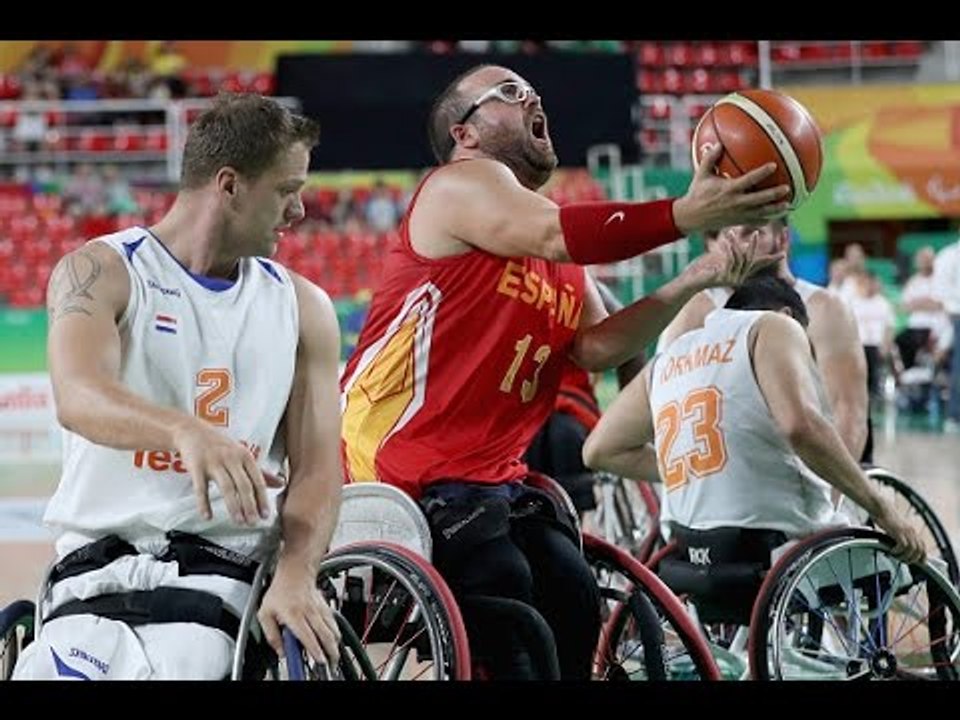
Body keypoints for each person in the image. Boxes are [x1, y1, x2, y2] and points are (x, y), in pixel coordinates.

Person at [339, 64, 788, 680]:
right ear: (465, 133)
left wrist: (696, 277)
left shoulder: (554, 245)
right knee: (507, 596)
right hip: (400, 463)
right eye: (509, 92)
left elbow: (595, 348)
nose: (532, 96)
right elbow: (558, 235)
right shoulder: (456, 187)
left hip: (489, 476)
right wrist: (683, 213)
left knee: (572, 587)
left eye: (531, 89)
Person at [13, 94, 343, 680]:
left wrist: (297, 573)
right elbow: (78, 394)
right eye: (286, 190)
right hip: (94, 573)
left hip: (224, 577)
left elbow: (317, 471)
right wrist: (185, 432)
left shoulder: (303, 308)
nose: (299, 210)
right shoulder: (102, 271)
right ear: (229, 185)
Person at [582, 272, 924, 571]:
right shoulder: (773, 325)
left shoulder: (670, 355)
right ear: (788, 316)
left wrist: (694, 468)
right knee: (895, 566)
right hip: (769, 539)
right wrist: (881, 507)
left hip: (688, 546)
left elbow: (598, 450)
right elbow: (801, 428)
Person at [657, 218, 871, 463]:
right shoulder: (694, 312)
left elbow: (848, 412)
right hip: (731, 470)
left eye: (753, 232)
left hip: (813, 465)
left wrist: (831, 484)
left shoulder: (825, 308)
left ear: (783, 239)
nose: (741, 245)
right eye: (729, 235)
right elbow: (660, 404)